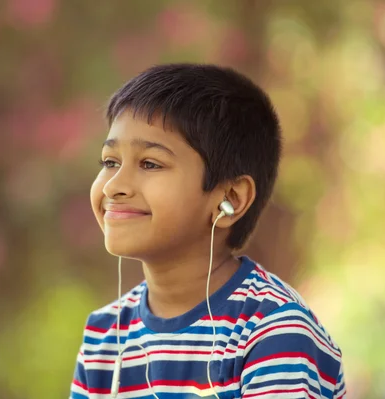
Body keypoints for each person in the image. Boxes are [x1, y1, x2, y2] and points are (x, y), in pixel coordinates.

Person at [69, 64, 345, 399]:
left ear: (229, 199)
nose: (114, 186)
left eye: (150, 164)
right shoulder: (105, 335)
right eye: (110, 162)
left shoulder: (272, 330)